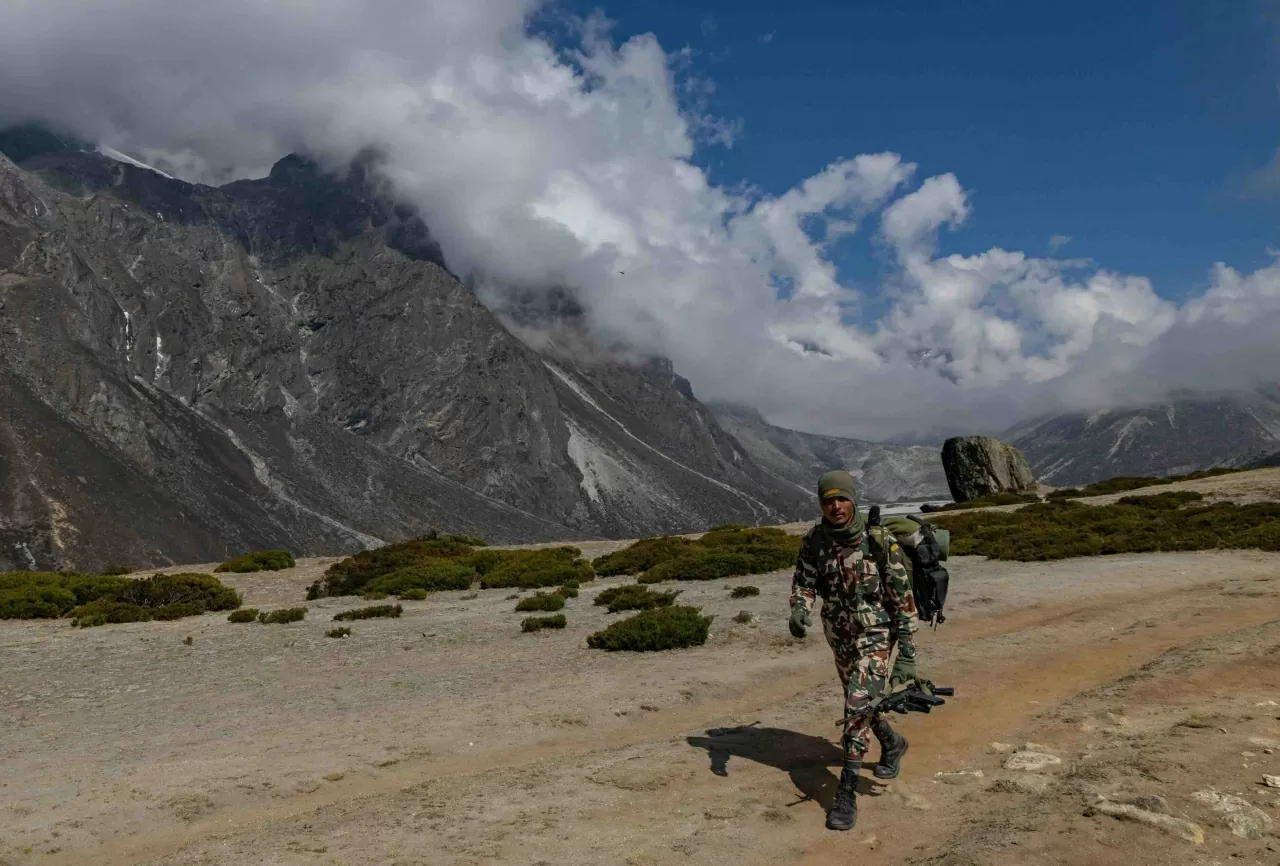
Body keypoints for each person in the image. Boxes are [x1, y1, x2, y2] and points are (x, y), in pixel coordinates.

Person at [787, 469, 919, 831]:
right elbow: (805, 579)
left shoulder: (878, 541)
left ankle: (845, 791)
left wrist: (906, 653)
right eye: (828, 500)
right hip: (839, 633)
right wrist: (800, 608)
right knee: (857, 698)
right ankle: (892, 743)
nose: (835, 506)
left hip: (876, 633)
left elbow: (902, 600)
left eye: (841, 498)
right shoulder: (815, 540)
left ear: (853, 500)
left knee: (856, 704)